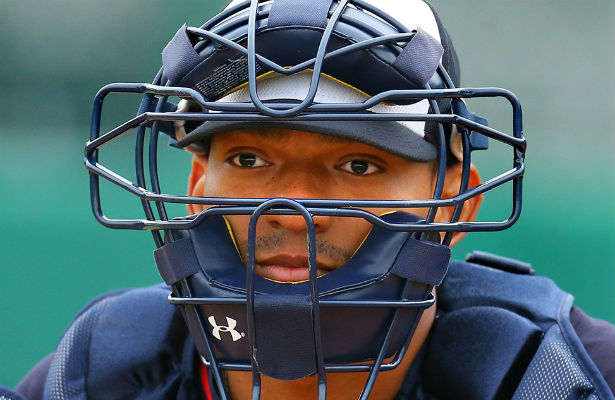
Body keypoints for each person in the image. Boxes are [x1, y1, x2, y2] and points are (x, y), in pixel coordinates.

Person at [11, 0, 614, 399]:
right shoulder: (97, 374)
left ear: (454, 203)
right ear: (197, 188)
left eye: (358, 163)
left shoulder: (560, 376)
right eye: (249, 159)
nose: (292, 204)